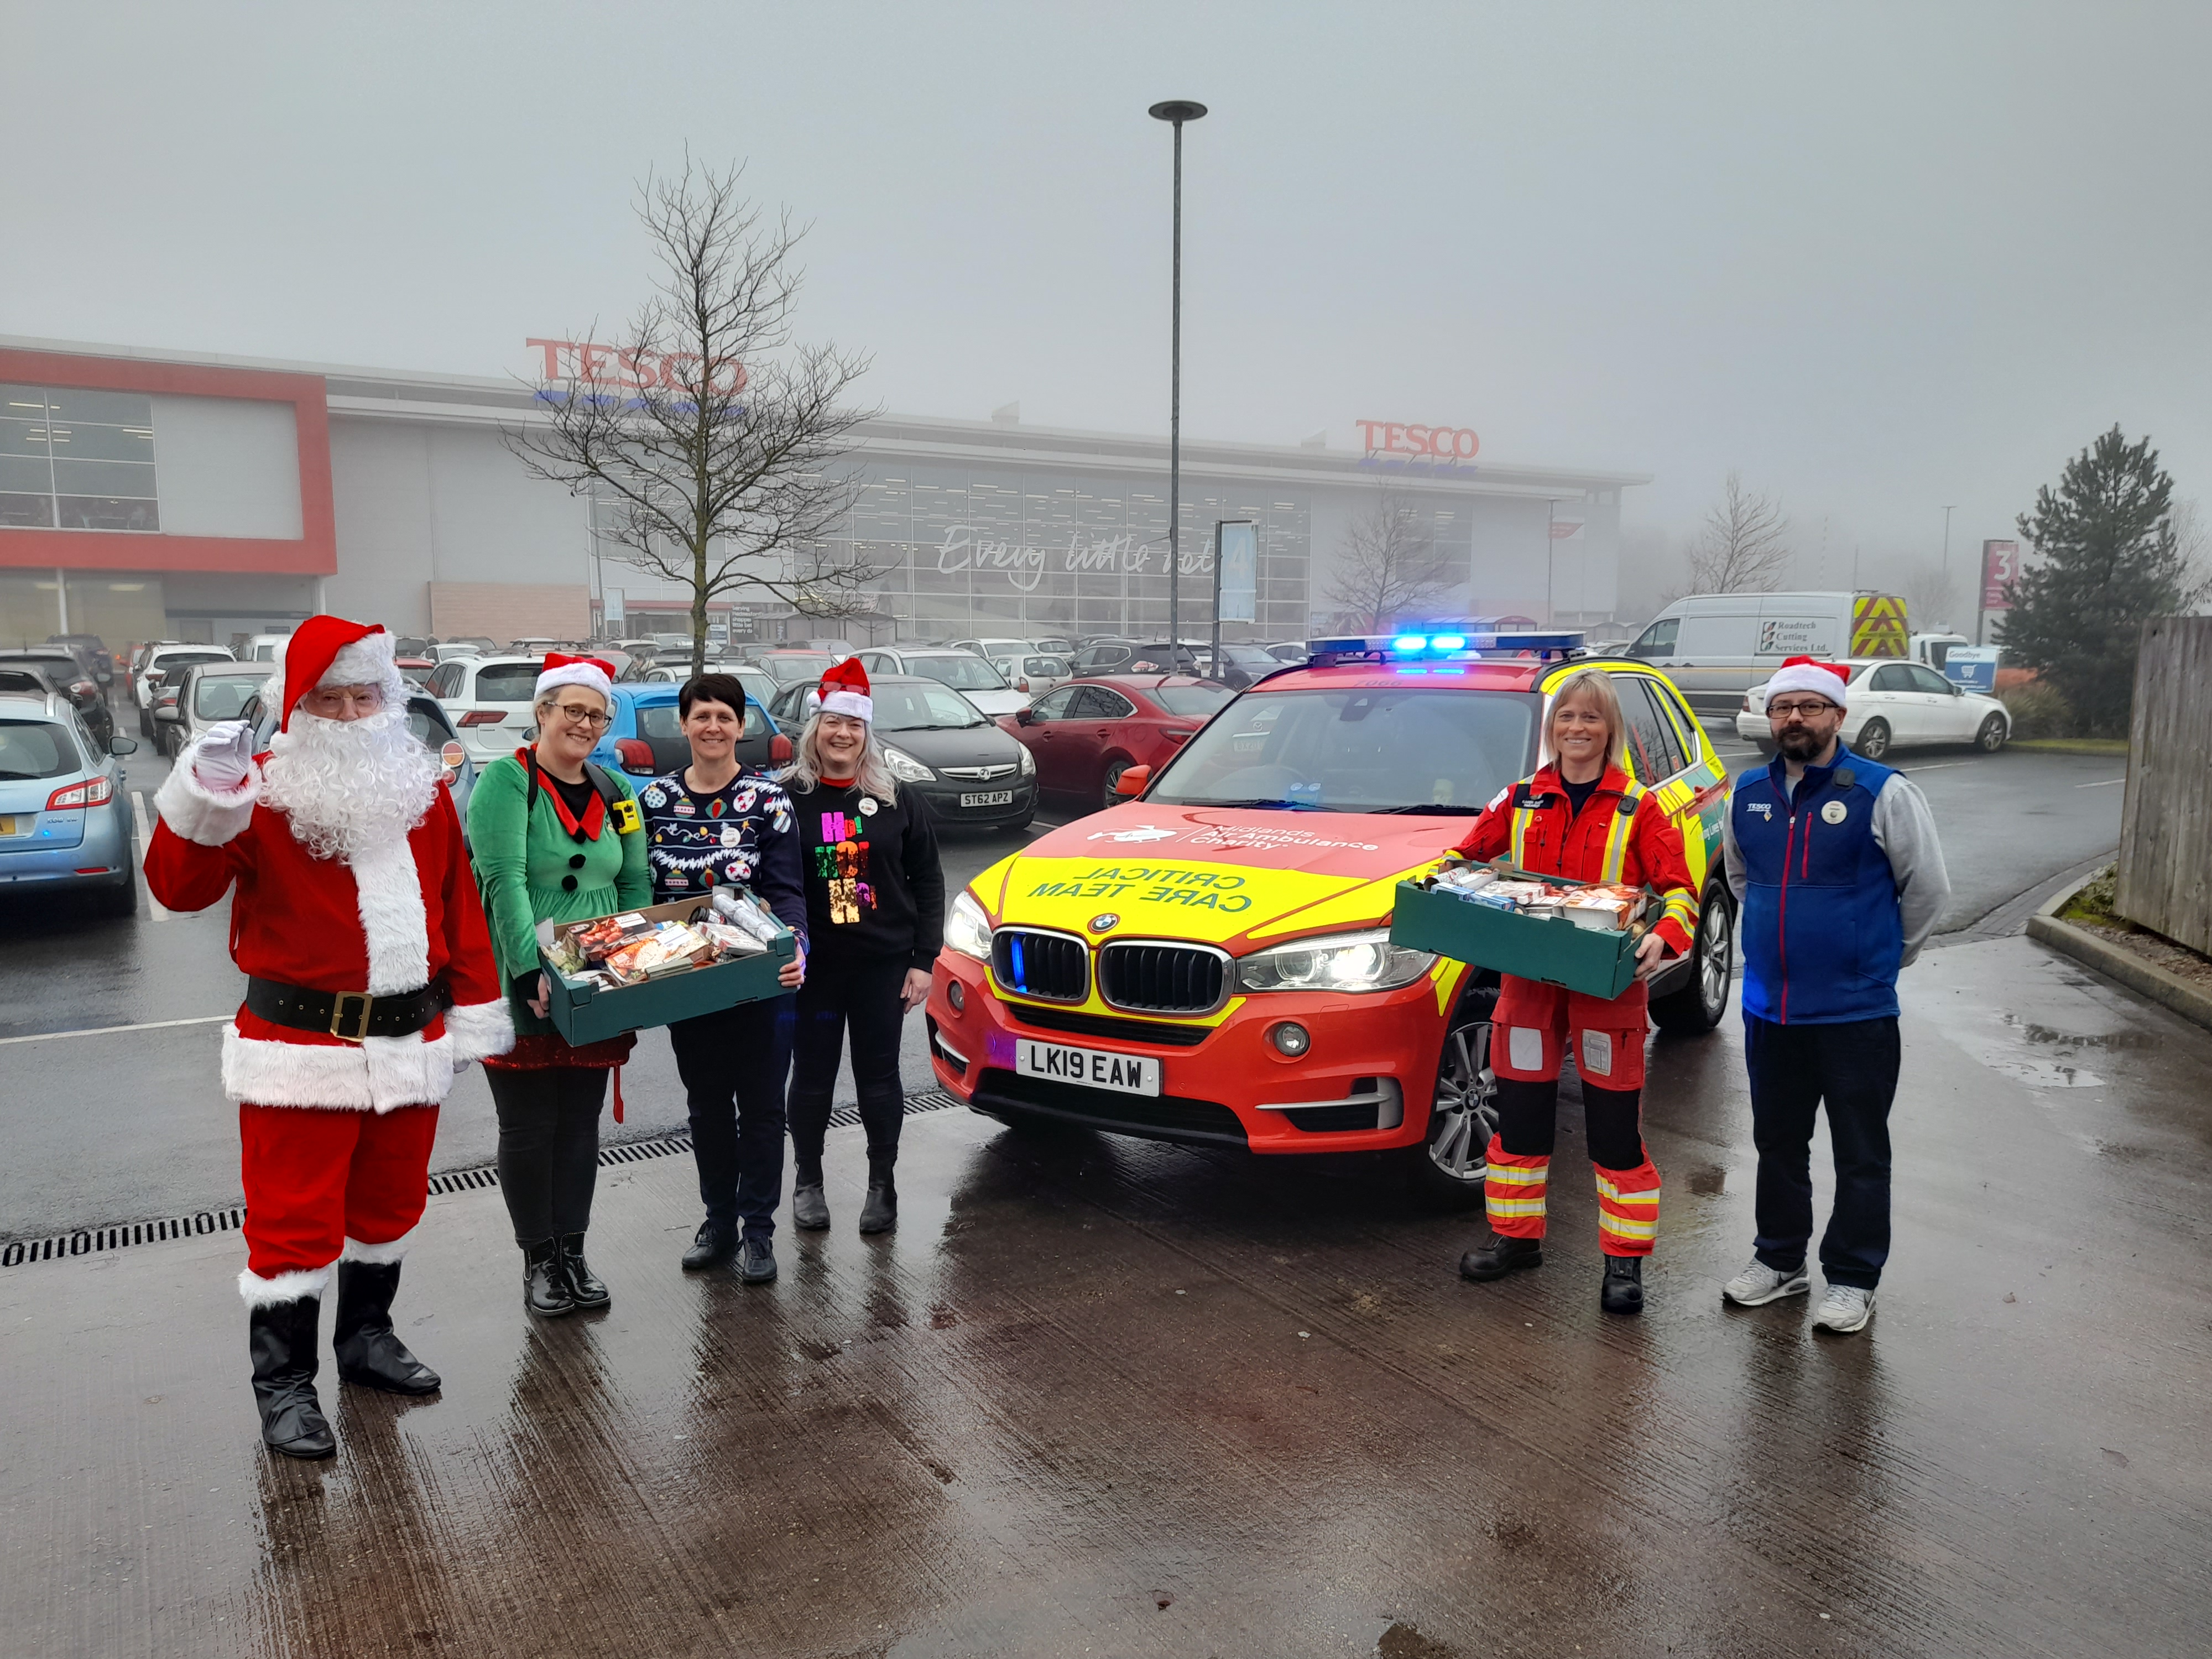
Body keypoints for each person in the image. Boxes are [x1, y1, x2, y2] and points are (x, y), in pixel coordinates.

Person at [144, 616, 513, 1460]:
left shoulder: (418, 791)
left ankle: (367, 1341)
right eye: (330, 700)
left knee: (388, 1210)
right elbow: (177, 887)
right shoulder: (259, 791)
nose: (349, 714)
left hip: (410, 1042)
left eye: (363, 697)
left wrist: (477, 1013)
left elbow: (461, 908)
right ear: (296, 710)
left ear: (388, 700)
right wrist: (205, 792)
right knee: (293, 1226)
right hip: (299, 1052)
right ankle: (284, 1387)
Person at [1448, 667, 1699, 1314]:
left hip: (1606, 993)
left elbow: (1680, 891)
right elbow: (1462, 863)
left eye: (1590, 718)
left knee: (1614, 1136)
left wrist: (1664, 936)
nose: (1577, 728)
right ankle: (1515, 1240)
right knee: (1522, 1125)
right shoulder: (1518, 799)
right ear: (1552, 728)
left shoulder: (1640, 808)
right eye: (1567, 717)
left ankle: (1623, 1263)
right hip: (1527, 992)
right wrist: (1441, 897)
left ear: (1609, 730)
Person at [1719, 656, 1950, 1336]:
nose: (1795, 718)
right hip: (1770, 1011)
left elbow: (1928, 891)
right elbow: (1741, 882)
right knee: (1779, 1144)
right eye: (1783, 707)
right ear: (1770, 718)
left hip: (1856, 1014)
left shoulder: (1883, 792)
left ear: (1838, 716)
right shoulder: (1748, 794)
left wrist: (1877, 962)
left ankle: (1852, 1278)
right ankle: (1780, 1262)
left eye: (1810, 707)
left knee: (1860, 1152)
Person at [466, 653, 651, 1318]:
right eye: (572, 710)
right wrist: (528, 968)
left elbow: (634, 883)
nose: (585, 724)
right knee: (528, 1124)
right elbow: (503, 882)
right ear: (541, 712)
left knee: (579, 1123)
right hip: (525, 978)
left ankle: (573, 1251)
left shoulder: (617, 790)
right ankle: (538, 1260)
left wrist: (632, 961)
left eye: (596, 715)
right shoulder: (505, 784)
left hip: (598, 975)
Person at [639, 673, 808, 1284]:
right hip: (688, 982)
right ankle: (719, 1221)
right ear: (684, 725)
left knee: (762, 1109)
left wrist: (798, 949)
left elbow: (789, 891)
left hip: (760, 982)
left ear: (742, 727)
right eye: (701, 715)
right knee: (707, 1108)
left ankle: (759, 1232)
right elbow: (641, 897)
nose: (713, 726)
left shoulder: (769, 801)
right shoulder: (652, 803)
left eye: (725, 716)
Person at [783, 658, 945, 1234]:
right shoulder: (786, 799)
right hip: (814, 973)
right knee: (812, 1076)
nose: (842, 735)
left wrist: (924, 962)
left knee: (878, 1076)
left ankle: (883, 1185)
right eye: (831, 723)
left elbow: (927, 879)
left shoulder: (897, 798)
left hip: (882, 967)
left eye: (853, 726)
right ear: (815, 729)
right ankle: (808, 1181)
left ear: (866, 733)